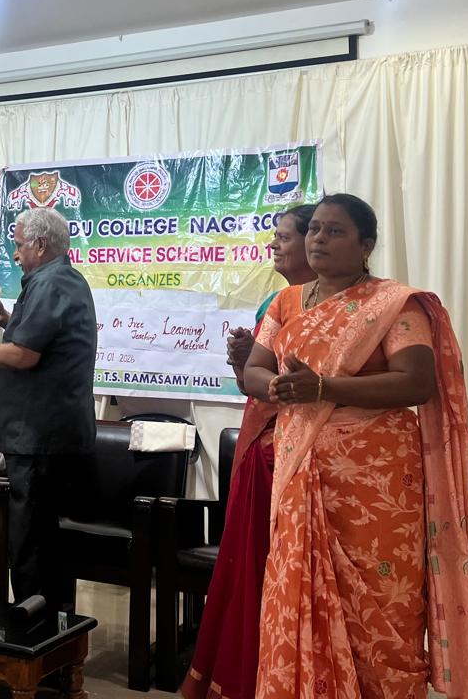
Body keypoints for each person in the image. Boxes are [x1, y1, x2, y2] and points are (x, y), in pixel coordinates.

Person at [236, 193, 468, 698]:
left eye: (335, 231)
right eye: (315, 229)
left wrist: (323, 388)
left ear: (366, 245)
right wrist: (278, 385)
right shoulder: (286, 302)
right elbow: (254, 370)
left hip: (376, 481)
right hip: (300, 466)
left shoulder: (394, 304)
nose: (319, 239)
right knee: (300, 589)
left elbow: (416, 382)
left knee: (379, 601)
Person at [182, 202, 316, 699]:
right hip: (266, 449)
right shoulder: (275, 305)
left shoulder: (347, 308)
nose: (273, 244)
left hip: (315, 457)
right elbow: (257, 385)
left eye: (285, 236)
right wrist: (243, 365)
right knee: (254, 568)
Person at [0, 207, 97, 606]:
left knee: (30, 540)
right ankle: (50, 623)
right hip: (52, 433)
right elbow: (43, 339)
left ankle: (31, 626)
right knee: (44, 537)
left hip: (39, 435)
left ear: (39, 243)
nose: (16, 254)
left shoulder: (49, 283)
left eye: (19, 245)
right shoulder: (64, 280)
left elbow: (23, 356)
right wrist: (4, 317)